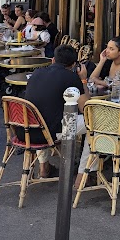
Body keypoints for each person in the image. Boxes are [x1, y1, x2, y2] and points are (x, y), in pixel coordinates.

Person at [22, 44, 88, 179]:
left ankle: (43, 167)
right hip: (51, 132)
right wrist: (83, 79)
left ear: (53, 60)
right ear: (74, 64)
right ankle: (83, 176)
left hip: (26, 129)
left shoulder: (36, 73)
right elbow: (85, 108)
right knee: (94, 124)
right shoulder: (71, 77)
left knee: (43, 114)